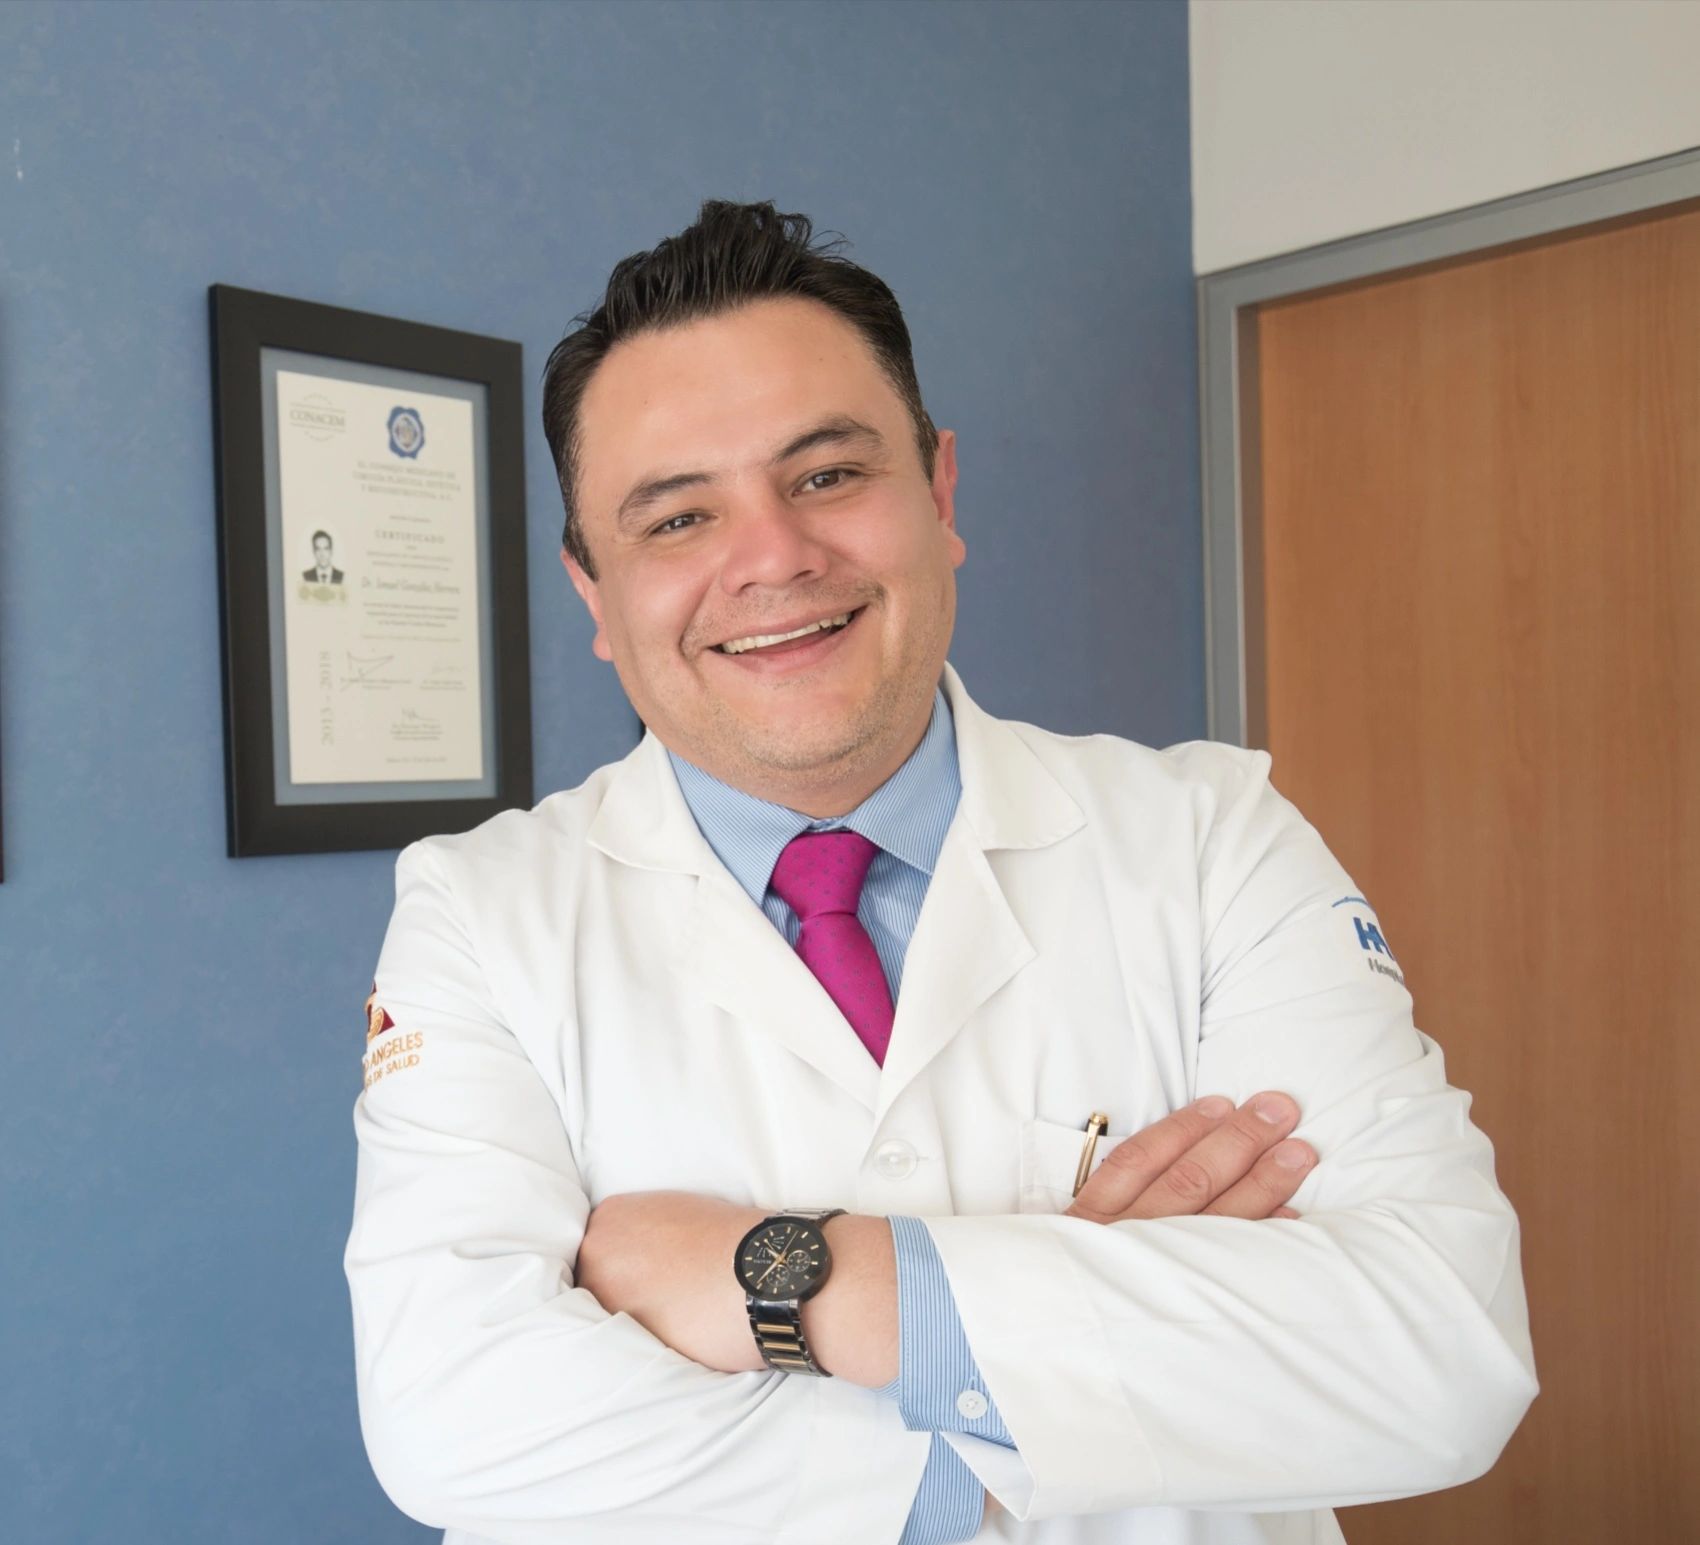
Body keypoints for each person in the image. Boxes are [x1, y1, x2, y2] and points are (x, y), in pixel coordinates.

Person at [344, 201, 1536, 1545]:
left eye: (826, 475)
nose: (773, 557)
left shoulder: (1210, 837)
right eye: (676, 518)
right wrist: (1039, 1392)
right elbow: (452, 1415)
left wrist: (796, 1284)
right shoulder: (482, 912)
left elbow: (1441, 1350)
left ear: (941, 493)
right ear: (594, 598)